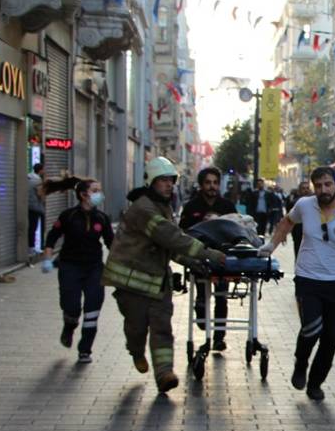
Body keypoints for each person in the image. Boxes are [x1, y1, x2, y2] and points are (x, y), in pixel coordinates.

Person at [103, 157, 227, 394]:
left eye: (171, 180)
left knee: (162, 328)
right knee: (136, 328)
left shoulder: (164, 207)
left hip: (158, 282)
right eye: (163, 181)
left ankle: (164, 374)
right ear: (151, 182)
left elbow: (168, 248)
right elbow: (171, 237)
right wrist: (207, 254)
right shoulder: (143, 208)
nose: (169, 185)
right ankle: (136, 351)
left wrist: (193, 262)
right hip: (133, 283)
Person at [262, 166, 335, 401]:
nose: (323, 190)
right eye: (318, 186)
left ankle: (315, 383)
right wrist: (271, 245)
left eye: (327, 184)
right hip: (307, 280)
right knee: (311, 327)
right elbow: (286, 222)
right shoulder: (305, 205)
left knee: (331, 339)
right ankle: (301, 362)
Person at [42, 176, 113, 364]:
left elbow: (112, 244)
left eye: (100, 190)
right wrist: (47, 259)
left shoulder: (102, 218)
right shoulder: (68, 216)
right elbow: (52, 237)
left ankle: (85, 349)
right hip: (70, 266)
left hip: (94, 269)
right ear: (83, 195)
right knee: (71, 306)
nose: (99, 194)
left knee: (92, 309)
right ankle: (69, 326)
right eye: (95, 191)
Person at [179, 166, 237, 352]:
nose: (212, 186)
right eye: (208, 183)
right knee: (203, 294)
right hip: (200, 257)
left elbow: (237, 230)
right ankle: (201, 314)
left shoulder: (227, 206)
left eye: (215, 183)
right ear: (201, 184)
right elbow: (183, 231)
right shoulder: (191, 206)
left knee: (221, 297)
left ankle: (219, 337)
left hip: (222, 258)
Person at [288, 180, 312, 257]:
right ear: (299, 191)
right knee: (298, 253)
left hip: (312, 233)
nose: (306, 190)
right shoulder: (294, 203)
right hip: (298, 231)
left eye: (307, 188)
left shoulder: (316, 202)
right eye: (303, 188)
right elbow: (288, 219)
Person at [28, 163, 46, 253]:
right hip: (35, 207)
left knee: (30, 226)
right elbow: (40, 194)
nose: (44, 171)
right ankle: (32, 247)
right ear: (40, 170)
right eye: (44, 169)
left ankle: (30, 247)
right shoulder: (38, 181)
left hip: (27, 206)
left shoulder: (28, 178)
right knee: (33, 227)